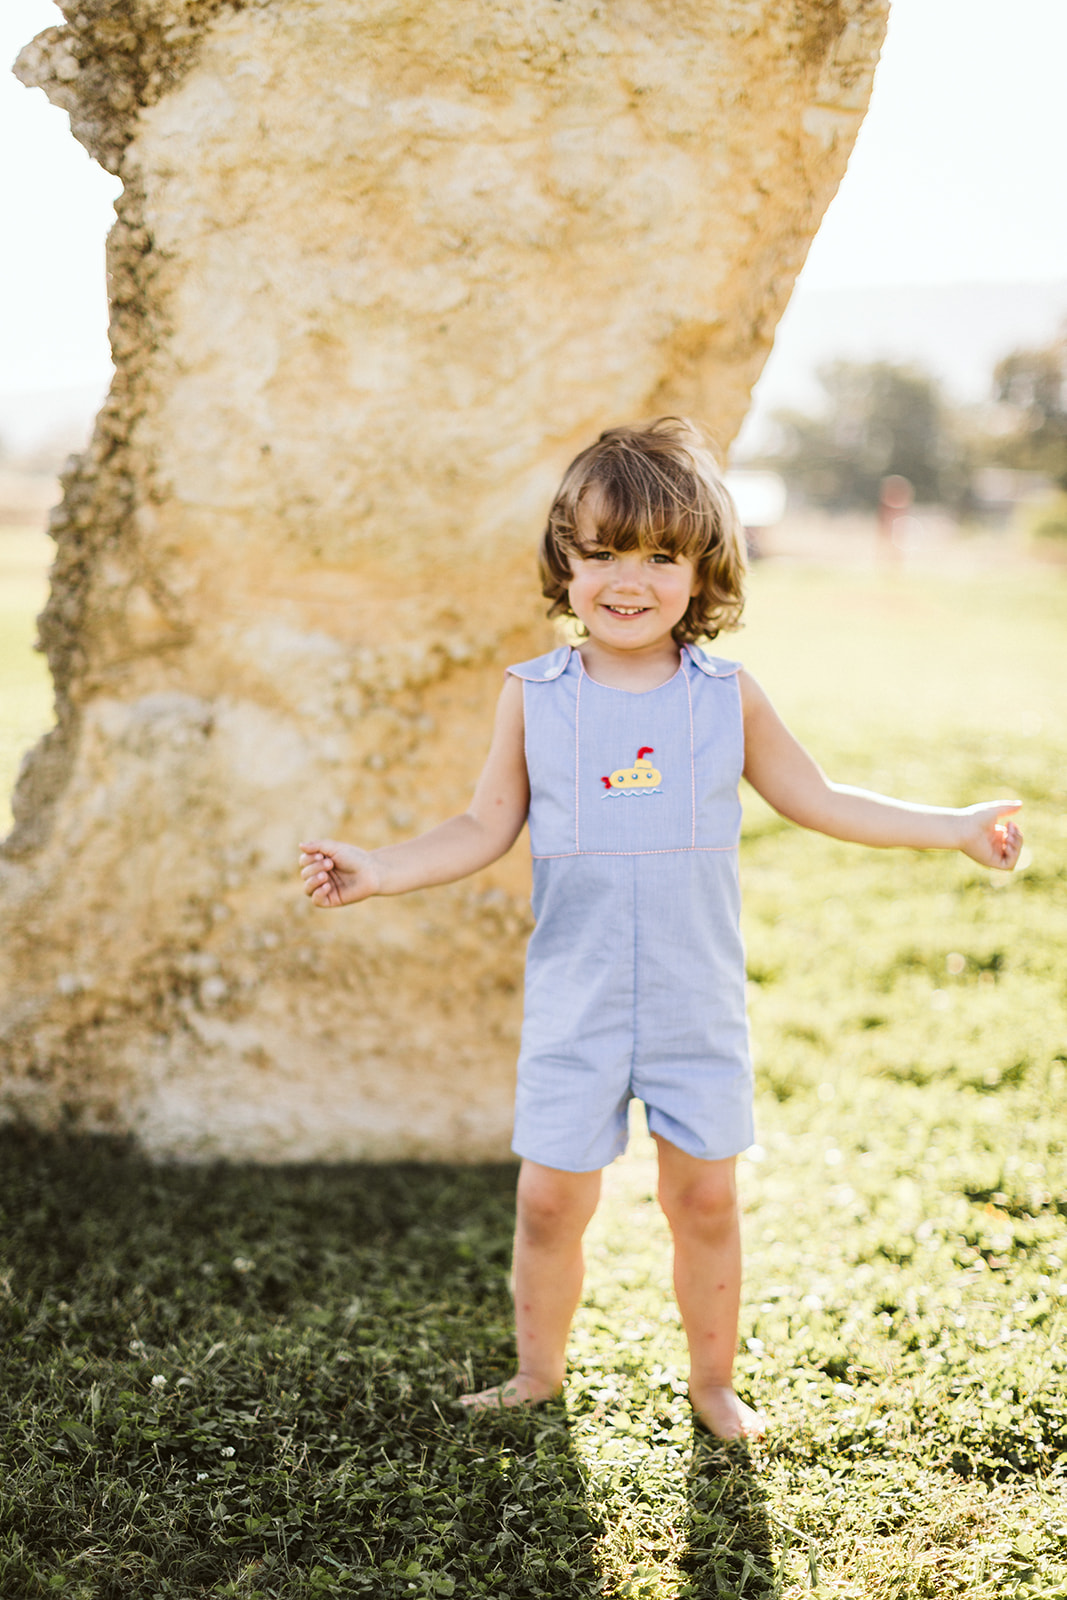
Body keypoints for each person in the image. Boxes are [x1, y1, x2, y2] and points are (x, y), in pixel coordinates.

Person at [298, 418, 1022, 1439]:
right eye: (599, 552)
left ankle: (712, 1380)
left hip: (693, 1006)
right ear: (565, 559)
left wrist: (948, 828)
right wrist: (378, 868)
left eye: (657, 555)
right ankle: (536, 1372)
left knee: (704, 1203)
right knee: (550, 1202)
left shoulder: (725, 698)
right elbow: (480, 825)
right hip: (575, 1004)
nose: (624, 578)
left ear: (701, 568)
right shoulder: (531, 695)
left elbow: (816, 798)